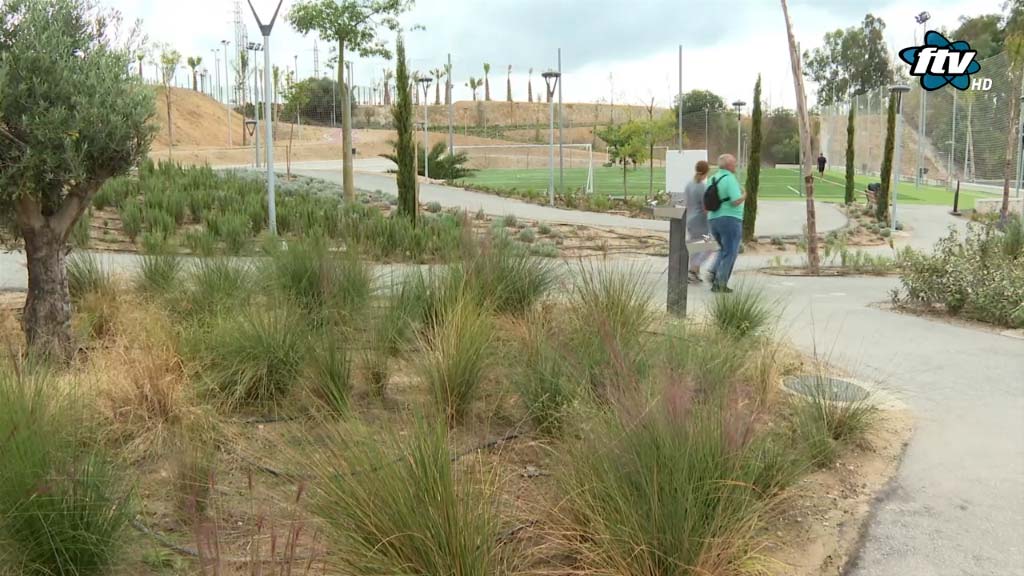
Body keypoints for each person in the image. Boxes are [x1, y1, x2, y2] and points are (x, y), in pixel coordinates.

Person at [707, 154, 746, 293]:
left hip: (713, 218)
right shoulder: (730, 179)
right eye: (734, 163)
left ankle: (714, 271)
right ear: (729, 165)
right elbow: (735, 201)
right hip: (730, 219)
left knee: (723, 249)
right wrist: (744, 195)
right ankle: (720, 283)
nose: (736, 165)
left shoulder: (712, 178)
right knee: (730, 252)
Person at [683, 160, 715, 283]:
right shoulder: (703, 187)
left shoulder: (689, 185)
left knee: (695, 246)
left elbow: (686, 202)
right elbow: (705, 207)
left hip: (690, 220)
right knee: (709, 245)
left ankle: (693, 272)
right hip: (701, 222)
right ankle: (694, 268)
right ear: (706, 172)